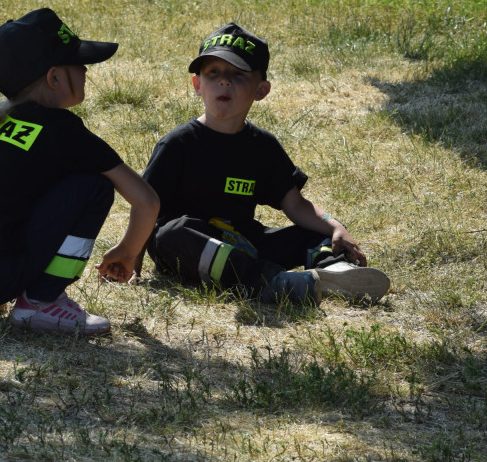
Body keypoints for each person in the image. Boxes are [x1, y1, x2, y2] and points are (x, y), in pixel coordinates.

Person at [0, 8, 159, 335]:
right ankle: (42, 301)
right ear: (54, 78)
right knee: (93, 186)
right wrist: (126, 252)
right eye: (78, 63)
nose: (84, 69)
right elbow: (147, 201)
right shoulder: (62, 129)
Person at [140, 22, 389, 306]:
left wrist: (334, 227)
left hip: (244, 242)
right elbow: (145, 207)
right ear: (198, 85)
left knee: (313, 234)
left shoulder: (262, 146)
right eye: (213, 73)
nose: (224, 81)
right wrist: (131, 257)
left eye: (238, 74)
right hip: (191, 251)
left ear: (261, 90)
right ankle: (271, 283)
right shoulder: (177, 144)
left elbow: (295, 205)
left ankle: (336, 274)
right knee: (172, 232)